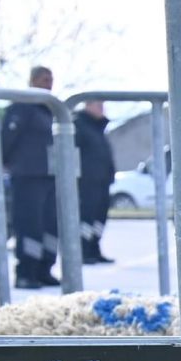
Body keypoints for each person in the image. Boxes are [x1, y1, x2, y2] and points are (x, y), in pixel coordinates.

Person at [1, 65, 61, 287]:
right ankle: (26, 272)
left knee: (49, 226)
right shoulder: (23, 106)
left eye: (51, 79)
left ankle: (44, 269)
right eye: (45, 79)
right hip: (27, 176)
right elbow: (7, 137)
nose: (49, 84)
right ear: (33, 80)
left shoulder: (49, 110)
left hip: (49, 176)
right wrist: (6, 162)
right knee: (30, 226)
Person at [75, 98, 115, 265]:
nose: (102, 109)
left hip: (102, 181)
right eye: (98, 105)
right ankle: (83, 251)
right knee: (86, 217)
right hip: (86, 182)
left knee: (99, 218)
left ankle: (94, 248)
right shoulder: (79, 126)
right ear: (87, 105)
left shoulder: (98, 128)